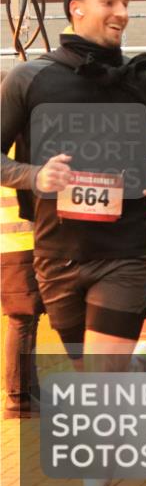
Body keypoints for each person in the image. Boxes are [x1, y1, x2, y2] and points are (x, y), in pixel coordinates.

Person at [0, 0, 146, 486]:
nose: (122, 13)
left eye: (127, 3)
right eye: (110, 1)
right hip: (58, 256)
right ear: (76, 9)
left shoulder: (145, 80)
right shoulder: (28, 80)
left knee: (99, 391)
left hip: (125, 253)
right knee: (94, 374)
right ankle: (134, 370)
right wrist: (34, 176)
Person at [1, 166, 43, 420]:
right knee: (22, 317)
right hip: (16, 241)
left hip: (21, 240)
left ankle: (30, 390)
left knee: (29, 316)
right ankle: (18, 399)